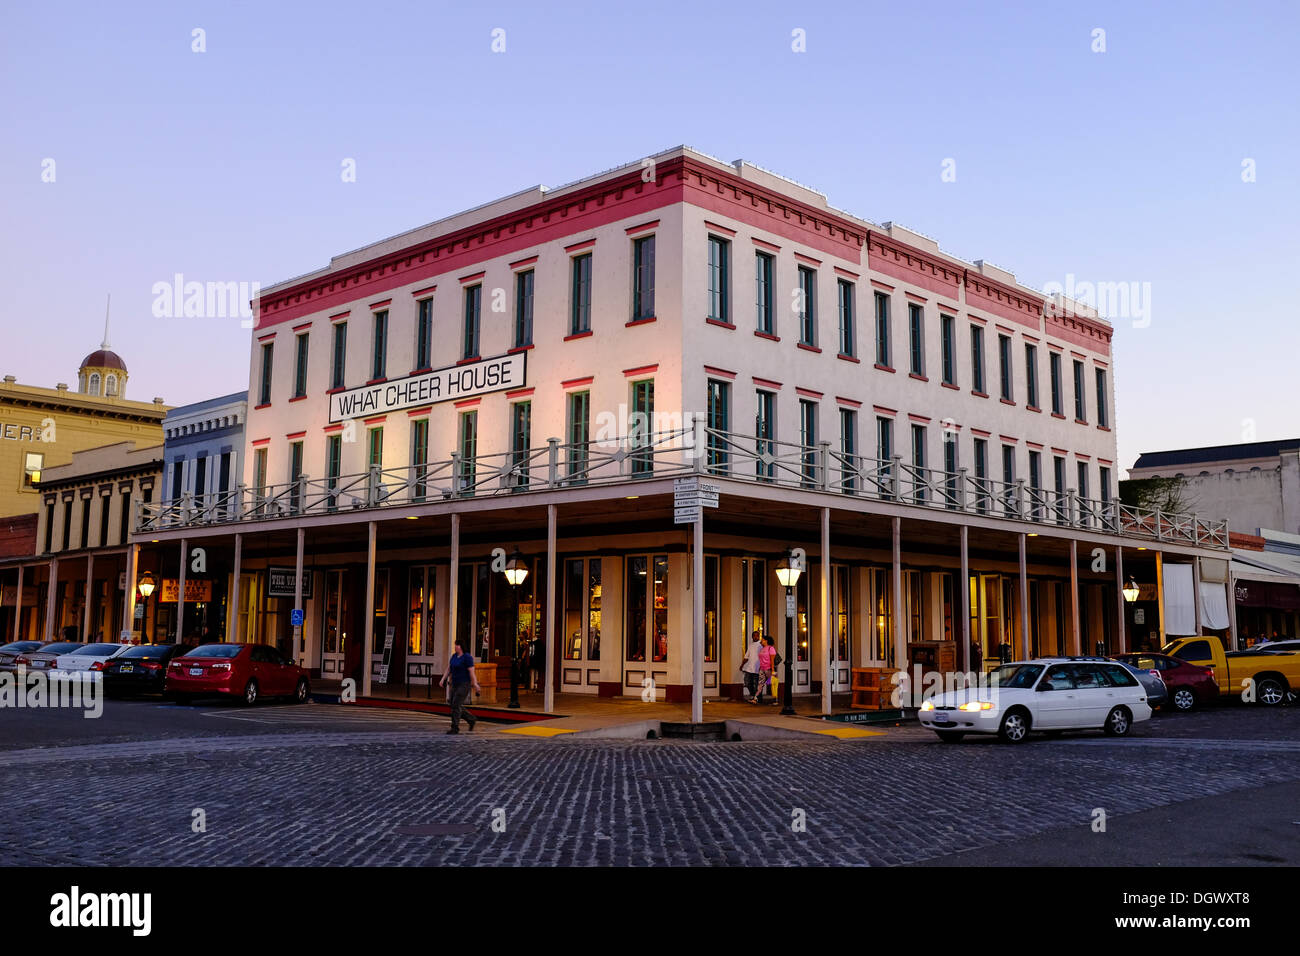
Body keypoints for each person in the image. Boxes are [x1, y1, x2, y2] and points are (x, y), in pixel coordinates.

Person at [439, 640, 480, 734]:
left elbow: (471, 672)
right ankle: (471, 719)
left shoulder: (467, 657)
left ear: (460, 646)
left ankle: (455, 727)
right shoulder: (454, 656)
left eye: (456, 645)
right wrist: (443, 679)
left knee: (456, 704)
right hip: (454, 683)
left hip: (464, 684)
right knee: (452, 703)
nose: (455, 647)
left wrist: (475, 684)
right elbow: (449, 669)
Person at [739, 630, 762, 701]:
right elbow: (746, 657)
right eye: (754, 635)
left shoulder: (761, 645)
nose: (755, 637)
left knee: (756, 684)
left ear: (759, 636)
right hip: (749, 668)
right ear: (752, 637)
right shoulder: (750, 645)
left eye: (757, 635)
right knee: (747, 682)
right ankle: (752, 695)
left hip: (757, 668)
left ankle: (757, 698)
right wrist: (742, 665)